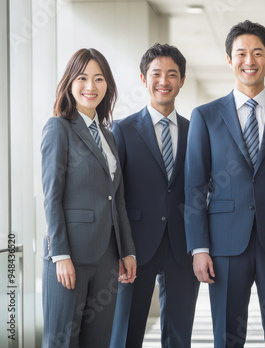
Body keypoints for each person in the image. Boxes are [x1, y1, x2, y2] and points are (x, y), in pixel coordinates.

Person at [184, 20, 265, 348]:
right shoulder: (205, 115)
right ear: (229, 59)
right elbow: (194, 185)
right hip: (224, 243)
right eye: (241, 53)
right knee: (226, 335)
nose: (249, 60)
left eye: (258, 53)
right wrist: (199, 248)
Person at [41, 48, 137, 348]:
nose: (91, 86)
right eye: (83, 78)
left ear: (107, 85)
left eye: (99, 79)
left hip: (107, 258)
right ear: (70, 82)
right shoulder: (59, 128)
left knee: (98, 341)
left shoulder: (108, 136)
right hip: (70, 257)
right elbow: (51, 196)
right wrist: (60, 255)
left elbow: (116, 198)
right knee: (62, 341)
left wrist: (127, 251)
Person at [110, 43, 199, 347]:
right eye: (156, 73)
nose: (164, 81)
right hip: (135, 247)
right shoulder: (123, 130)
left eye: (172, 74)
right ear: (143, 79)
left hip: (182, 246)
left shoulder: (195, 131)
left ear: (182, 81)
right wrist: (121, 249)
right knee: (126, 331)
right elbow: (115, 194)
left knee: (179, 333)